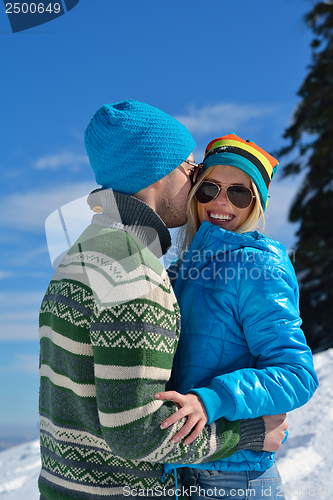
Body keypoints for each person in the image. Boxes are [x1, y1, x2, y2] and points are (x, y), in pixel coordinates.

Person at [38, 105, 288, 500]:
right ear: (158, 170)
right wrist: (251, 433)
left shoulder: (79, 254)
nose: (195, 180)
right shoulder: (134, 270)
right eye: (191, 169)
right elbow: (136, 434)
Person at [155, 134, 319, 499]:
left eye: (239, 193)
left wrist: (211, 399)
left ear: (255, 202)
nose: (221, 202)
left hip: (235, 481)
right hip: (185, 473)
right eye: (209, 188)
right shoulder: (184, 269)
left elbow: (297, 374)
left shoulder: (258, 264)